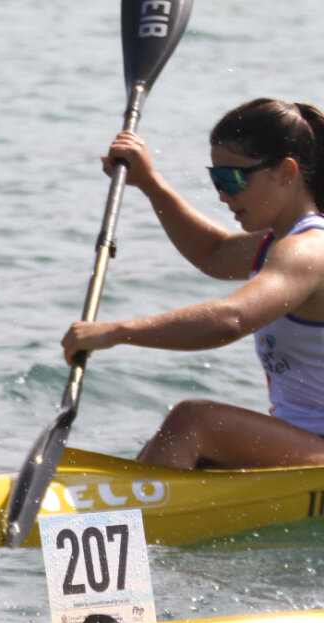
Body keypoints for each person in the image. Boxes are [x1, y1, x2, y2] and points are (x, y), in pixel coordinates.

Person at [61, 98, 324, 470]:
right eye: (217, 178)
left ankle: (121, 520)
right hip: (302, 440)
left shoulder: (309, 250)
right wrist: (150, 184)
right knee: (191, 440)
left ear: (286, 172)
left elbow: (232, 318)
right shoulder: (277, 242)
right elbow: (214, 252)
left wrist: (117, 331)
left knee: (194, 423)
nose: (222, 194)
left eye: (233, 178)